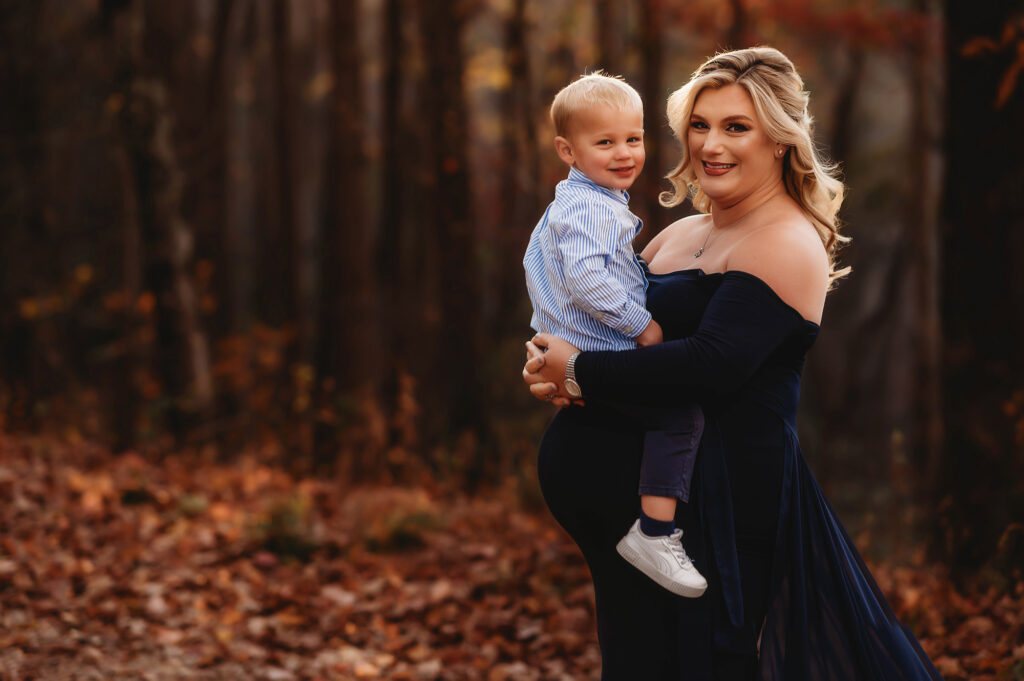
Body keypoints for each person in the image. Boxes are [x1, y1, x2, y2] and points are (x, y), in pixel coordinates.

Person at [522, 47, 943, 681]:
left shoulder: (785, 241)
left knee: (699, 666)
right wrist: (548, 360)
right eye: (700, 125)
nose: (711, 144)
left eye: (736, 127)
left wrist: (579, 371)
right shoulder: (677, 235)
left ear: (780, 140)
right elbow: (611, 328)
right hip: (635, 523)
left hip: (716, 510)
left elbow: (709, 366)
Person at [523, 71, 707, 597]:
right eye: (604, 142)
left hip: (582, 360)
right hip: (606, 355)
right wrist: (642, 325)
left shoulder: (572, 205)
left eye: (634, 138)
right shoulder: (592, 209)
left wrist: (544, 337)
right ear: (567, 149)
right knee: (679, 415)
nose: (624, 153)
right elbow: (584, 279)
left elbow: (538, 267)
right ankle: (655, 531)